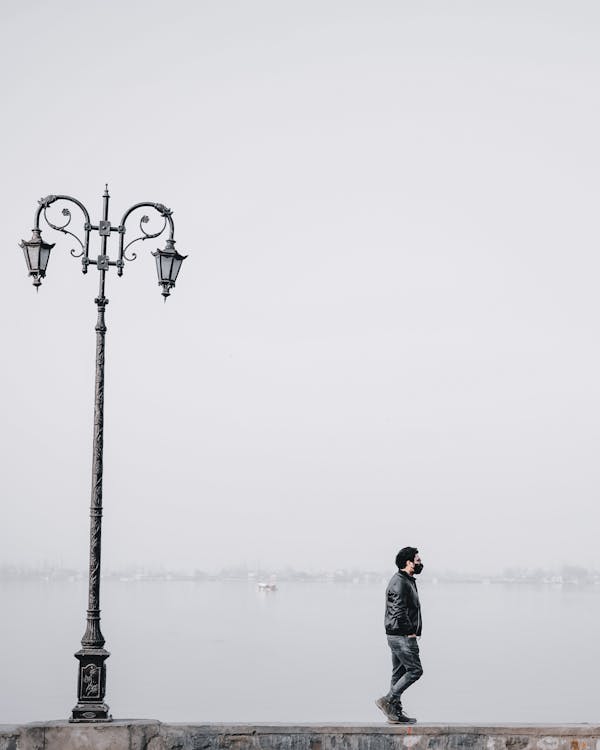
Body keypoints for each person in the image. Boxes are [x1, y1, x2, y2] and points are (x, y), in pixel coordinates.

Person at [376, 546, 424, 724]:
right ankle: (388, 700)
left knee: (398, 674)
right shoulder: (400, 582)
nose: (421, 563)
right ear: (408, 562)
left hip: (397, 634)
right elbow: (398, 611)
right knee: (415, 670)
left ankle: (394, 713)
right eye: (418, 560)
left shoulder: (407, 580)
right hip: (402, 635)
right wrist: (410, 631)